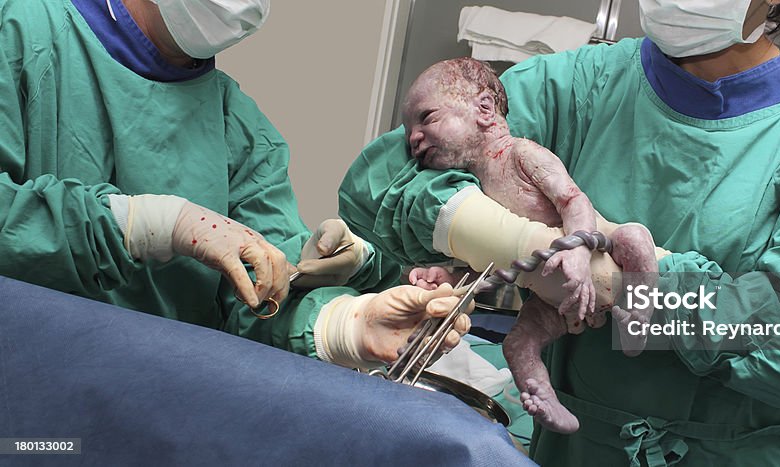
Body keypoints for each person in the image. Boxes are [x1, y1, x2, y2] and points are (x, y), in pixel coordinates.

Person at [340, 0, 780, 464]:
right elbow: (377, 183)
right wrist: (503, 239)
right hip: (580, 446)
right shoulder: (580, 86)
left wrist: (623, 286)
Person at [0, 0, 467, 369]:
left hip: (148, 400)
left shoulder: (237, 126)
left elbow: (253, 298)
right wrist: (150, 224)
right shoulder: (20, 29)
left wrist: (346, 325)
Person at [401, 57, 660, 434]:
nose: (412, 139)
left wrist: (578, 249)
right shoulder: (470, 187)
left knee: (635, 237)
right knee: (517, 343)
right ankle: (546, 401)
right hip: (549, 297)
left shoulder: (520, 154)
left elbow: (574, 201)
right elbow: (493, 259)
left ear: (485, 110)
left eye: (426, 118)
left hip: (602, 250)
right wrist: (450, 274)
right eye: (410, 129)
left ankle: (638, 315)